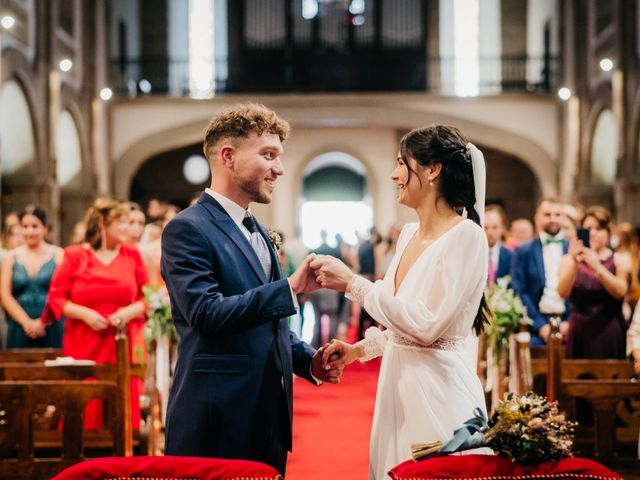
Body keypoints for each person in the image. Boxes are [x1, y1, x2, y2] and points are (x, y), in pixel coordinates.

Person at [160, 103, 343, 475]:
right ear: (228, 156)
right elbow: (207, 315)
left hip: (266, 415)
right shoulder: (188, 229)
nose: (279, 168)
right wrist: (288, 289)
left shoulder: (256, 228)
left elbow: (267, 325)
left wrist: (309, 360)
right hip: (217, 418)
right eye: (268, 155)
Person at [312, 125, 492, 480]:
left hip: (439, 389)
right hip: (396, 383)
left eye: (401, 163)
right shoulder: (408, 233)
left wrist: (353, 283)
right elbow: (401, 322)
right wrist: (359, 350)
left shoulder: (466, 235)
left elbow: (426, 327)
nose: (394, 175)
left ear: (432, 169)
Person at [46, 198, 148, 429]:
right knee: (86, 404)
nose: (127, 227)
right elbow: (56, 298)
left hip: (122, 340)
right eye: (121, 222)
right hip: (84, 340)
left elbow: (147, 297)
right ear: (103, 224)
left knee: (120, 403)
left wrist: (128, 312)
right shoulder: (74, 256)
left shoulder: (132, 255)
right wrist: (85, 315)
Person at [557, 206, 628, 359]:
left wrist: (597, 267)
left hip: (609, 329)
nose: (594, 233)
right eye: (589, 228)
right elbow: (562, 292)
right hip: (579, 331)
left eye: (599, 228)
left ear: (608, 232)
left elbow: (620, 291)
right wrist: (574, 262)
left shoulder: (619, 259)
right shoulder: (569, 259)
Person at [0, 206, 63, 348]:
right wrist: (26, 322)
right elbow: (5, 295)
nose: (30, 231)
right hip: (19, 325)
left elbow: (62, 292)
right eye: (25, 226)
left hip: (51, 324)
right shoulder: (11, 257)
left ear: (45, 228)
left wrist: (43, 323)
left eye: (35, 226)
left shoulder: (59, 255)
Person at [510, 199, 569, 346]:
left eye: (557, 214)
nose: (552, 219)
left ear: (563, 217)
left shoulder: (574, 250)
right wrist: (540, 326)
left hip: (569, 325)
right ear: (537, 218)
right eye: (547, 214)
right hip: (535, 328)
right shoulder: (523, 251)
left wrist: (571, 323)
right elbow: (519, 291)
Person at [484, 205, 512, 286]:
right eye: (486, 227)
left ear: (502, 228)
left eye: (495, 227)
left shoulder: (511, 255)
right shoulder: (473, 254)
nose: (490, 233)